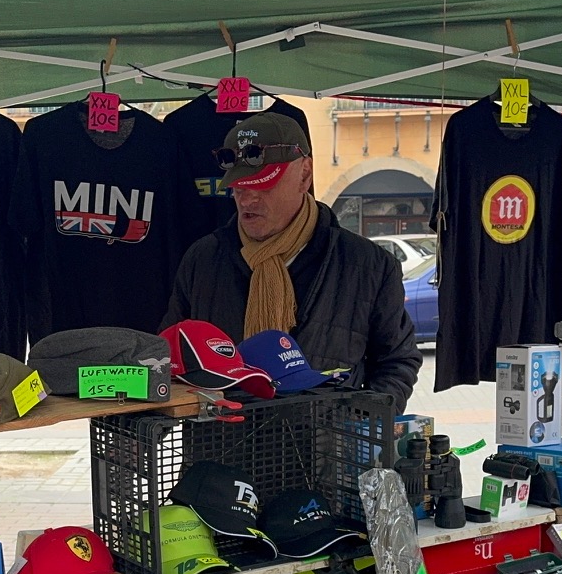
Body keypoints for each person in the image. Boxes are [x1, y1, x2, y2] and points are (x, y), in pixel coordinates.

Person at [161, 113, 420, 412]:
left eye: (263, 187)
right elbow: (170, 357)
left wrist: (360, 423)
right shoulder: (202, 260)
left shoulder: (370, 266)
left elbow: (397, 362)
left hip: (331, 440)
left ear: (305, 174)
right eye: (240, 188)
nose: (247, 201)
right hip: (223, 437)